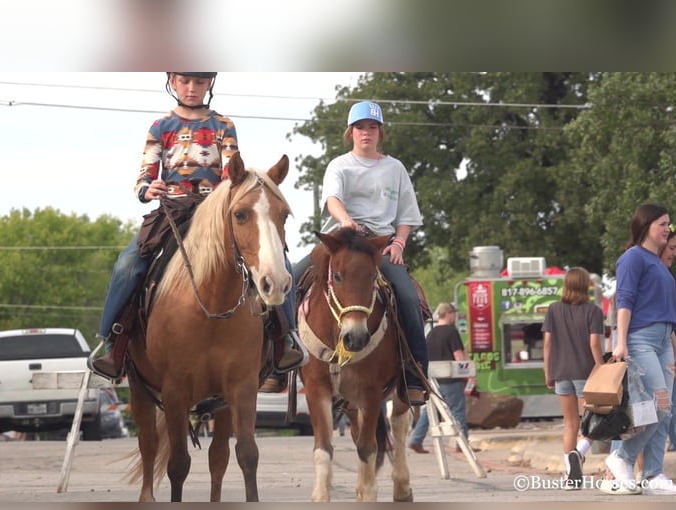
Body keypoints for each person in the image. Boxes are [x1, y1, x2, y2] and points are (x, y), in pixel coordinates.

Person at [89, 72, 305, 382]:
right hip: (172, 212)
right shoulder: (160, 127)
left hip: (214, 213)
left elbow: (235, 175)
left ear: (209, 85)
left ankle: (285, 339)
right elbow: (144, 176)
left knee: (279, 260)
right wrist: (148, 189)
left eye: (200, 82)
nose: (192, 89)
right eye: (185, 81)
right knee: (128, 262)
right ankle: (113, 343)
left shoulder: (223, 125)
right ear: (173, 82)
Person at [287, 100, 428, 406]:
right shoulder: (340, 165)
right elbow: (333, 199)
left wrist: (399, 243)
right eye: (360, 127)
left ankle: (414, 374)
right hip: (341, 239)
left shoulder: (395, 168)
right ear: (350, 132)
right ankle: (278, 356)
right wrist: (345, 220)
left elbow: (407, 215)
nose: (366, 133)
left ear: (380, 133)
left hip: (378, 245)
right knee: (289, 281)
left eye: (372, 127)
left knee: (407, 297)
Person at [604, 204, 676, 495]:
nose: (667, 229)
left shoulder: (658, 265)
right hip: (640, 340)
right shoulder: (632, 259)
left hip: (665, 341)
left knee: (663, 411)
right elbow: (624, 301)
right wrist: (621, 341)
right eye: (662, 224)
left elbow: (669, 316)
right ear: (646, 226)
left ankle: (651, 475)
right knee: (654, 407)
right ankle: (622, 458)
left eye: (668, 224)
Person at [541, 267, 605, 489]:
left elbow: (547, 343)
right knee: (592, 424)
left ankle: (571, 477)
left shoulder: (553, 310)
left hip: (560, 372)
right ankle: (578, 454)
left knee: (570, 424)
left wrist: (548, 373)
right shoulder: (593, 311)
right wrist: (602, 368)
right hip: (586, 373)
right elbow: (594, 344)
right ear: (586, 285)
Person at [643, 226, 676, 474]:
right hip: (664, 352)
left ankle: (643, 469)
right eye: (671, 248)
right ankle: (624, 461)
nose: (674, 253)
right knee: (664, 412)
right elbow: (667, 323)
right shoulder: (655, 277)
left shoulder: (668, 277)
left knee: (669, 413)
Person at [409, 302, 477, 453]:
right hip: (451, 379)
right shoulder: (451, 331)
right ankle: (463, 444)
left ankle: (416, 439)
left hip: (434, 380)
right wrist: (469, 374)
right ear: (448, 314)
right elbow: (458, 355)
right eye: (454, 314)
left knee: (430, 411)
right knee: (458, 410)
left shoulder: (431, 333)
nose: (455, 317)